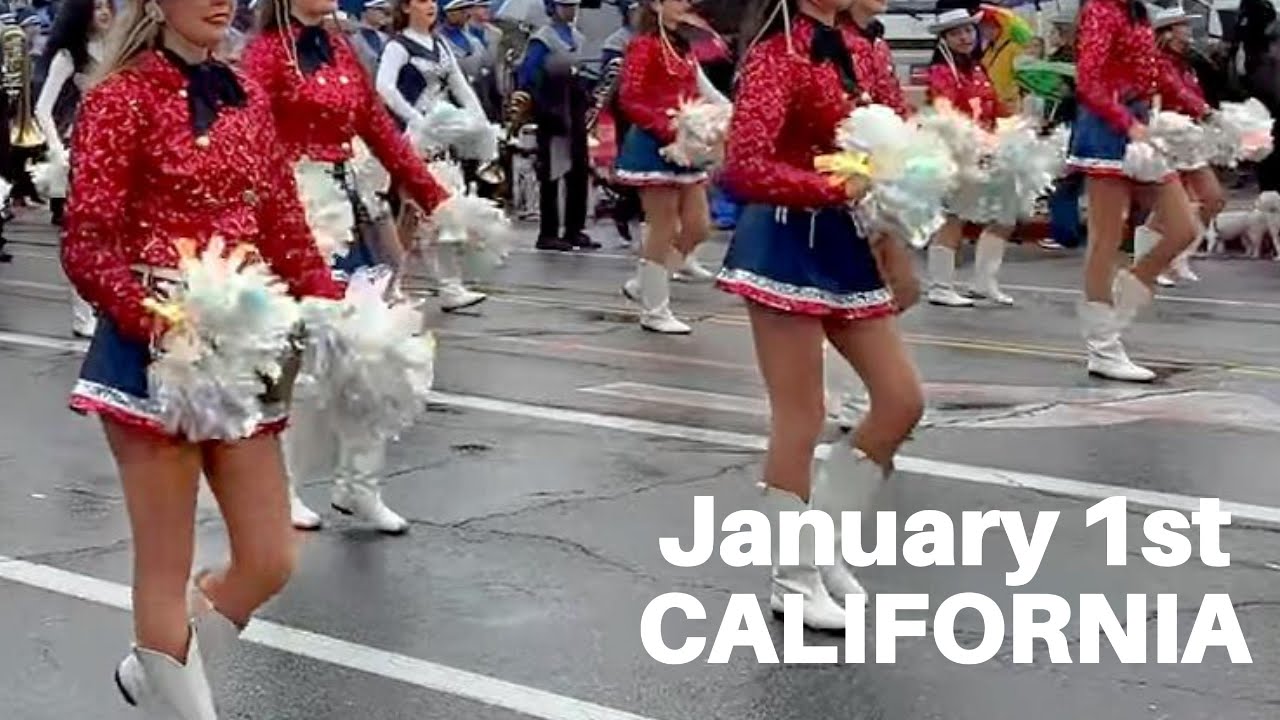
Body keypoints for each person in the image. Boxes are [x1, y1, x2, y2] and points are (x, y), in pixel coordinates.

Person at [62, 0, 345, 715]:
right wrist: (156, 320)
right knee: (165, 567)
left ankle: (156, 670)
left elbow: (281, 219)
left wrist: (332, 305)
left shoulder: (244, 91)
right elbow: (88, 241)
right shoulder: (119, 98)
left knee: (270, 557)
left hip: (242, 348)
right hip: (155, 353)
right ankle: (179, 692)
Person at [718, 0, 923, 630]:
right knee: (801, 414)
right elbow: (743, 166)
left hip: (847, 243)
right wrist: (833, 187)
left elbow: (897, 140)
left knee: (901, 402)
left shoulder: (865, 49)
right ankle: (793, 577)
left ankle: (822, 543)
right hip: (783, 242)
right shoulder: (778, 53)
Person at [244, 0, 452, 534]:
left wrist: (435, 197)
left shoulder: (339, 48)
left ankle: (359, 486)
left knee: (375, 348)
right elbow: (252, 142)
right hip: (295, 214)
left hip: (350, 209)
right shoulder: (265, 54)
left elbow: (377, 129)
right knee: (304, 356)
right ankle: (282, 486)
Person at [1066, 0, 1201, 382]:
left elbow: (1155, 69)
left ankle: (1126, 292)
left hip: (1141, 126)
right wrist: (1127, 123)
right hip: (1107, 130)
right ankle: (1103, 349)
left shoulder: (1136, 10)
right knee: (1105, 241)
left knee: (1184, 229)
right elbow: (1089, 81)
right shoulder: (1101, 8)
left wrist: (1203, 110)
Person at [615, 0, 723, 334]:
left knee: (698, 226)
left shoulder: (683, 45)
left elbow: (704, 90)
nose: (686, 3)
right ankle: (654, 309)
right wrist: (668, 127)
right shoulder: (643, 46)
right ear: (656, 4)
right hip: (654, 145)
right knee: (663, 227)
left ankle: (642, 283)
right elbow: (630, 98)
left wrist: (731, 116)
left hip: (686, 147)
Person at [375, 0, 490, 312]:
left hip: (440, 140)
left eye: (432, 1)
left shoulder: (440, 43)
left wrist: (481, 125)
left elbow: (461, 86)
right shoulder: (398, 45)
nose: (431, 6)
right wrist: (415, 119)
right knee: (420, 212)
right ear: (406, 7)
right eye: (422, 1)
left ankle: (413, 286)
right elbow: (383, 86)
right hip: (411, 139)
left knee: (430, 212)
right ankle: (396, 287)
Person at [924, 8, 1016, 307]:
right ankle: (940, 285)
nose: (965, 37)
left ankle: (983, 282)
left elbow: (993, 106)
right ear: (944, 40)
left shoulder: (977, 68)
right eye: (956, 33)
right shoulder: (941, 72)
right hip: (957, 151)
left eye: (968, 30)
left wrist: (1017, 120)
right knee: (954, 217)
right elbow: (947, 114)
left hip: (987, 148)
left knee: (1005, 214)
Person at [35, 0, 113, 339]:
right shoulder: (71, 56)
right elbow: (42, 108)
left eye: (108, 5)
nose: (105, 11)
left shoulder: (120, 48)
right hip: (83, 148)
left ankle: (105, 305)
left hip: (116, 146)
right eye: (97, 6)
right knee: (84, 234)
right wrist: (58, 151)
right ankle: (82, 315)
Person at [1133, 6, 1220, 286]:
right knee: (1168, 207)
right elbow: (1175, 91)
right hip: (1166, 137)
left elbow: (1193, 93)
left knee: (1213, 198)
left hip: (1189, 137)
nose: (1188, 29)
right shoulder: (1158, 61)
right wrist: (1205, 110)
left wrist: (1209, 116)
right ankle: (1149, 261)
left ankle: (1179, 256)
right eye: (1183, 25)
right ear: (1168, 32)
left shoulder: (1187, 63)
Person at [513, 0, 600, 251]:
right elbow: (528, 75)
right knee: (551, 172)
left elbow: (585, 71)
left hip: (574, 107)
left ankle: (575, 228)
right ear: (552, 7)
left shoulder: (578, 37)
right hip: (552, 109)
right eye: (564, 5)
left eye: (573, 6)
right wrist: (541, 105)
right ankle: (548, 231)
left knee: (579, 170)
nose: (570, 10)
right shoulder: (542, 39)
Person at [596, 0, 641, 244]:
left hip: (652, 108)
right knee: (631, 163)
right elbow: (607, 79)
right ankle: (624, 208)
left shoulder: (653, 37)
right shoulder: (617, 41)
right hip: (627, 109)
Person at [350, 0, 391, 74]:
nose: (385, 14)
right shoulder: (351, 38)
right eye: (380, 9)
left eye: (387, 12)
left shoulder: (386, 38)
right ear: (366, 11)